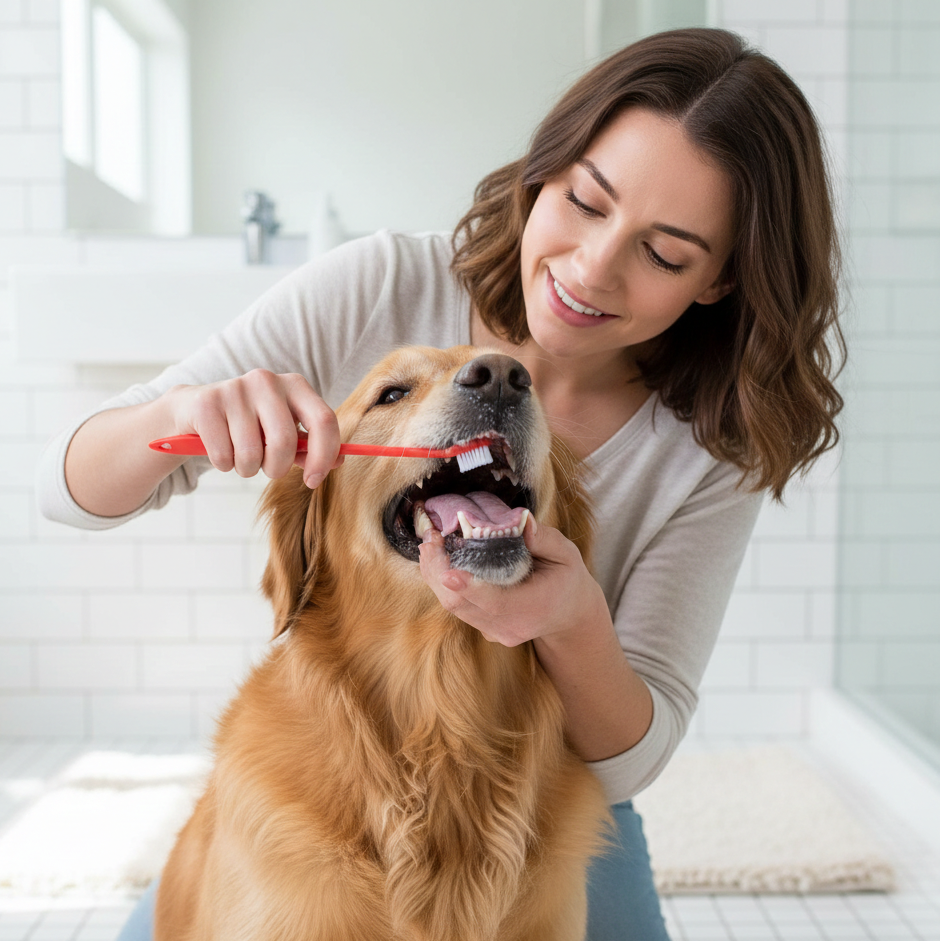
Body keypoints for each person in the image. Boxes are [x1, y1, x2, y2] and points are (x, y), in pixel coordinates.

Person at [38, 27, 844, 941]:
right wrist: (176, 415)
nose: (591, 266)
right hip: (320, 747)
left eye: (663, 254)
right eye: (583, 200)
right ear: (541, 173)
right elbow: (63, 488)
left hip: (550, 771)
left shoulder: (707, 446)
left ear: (718, 280)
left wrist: (571, 621)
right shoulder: (378, 284)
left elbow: (629, 761)